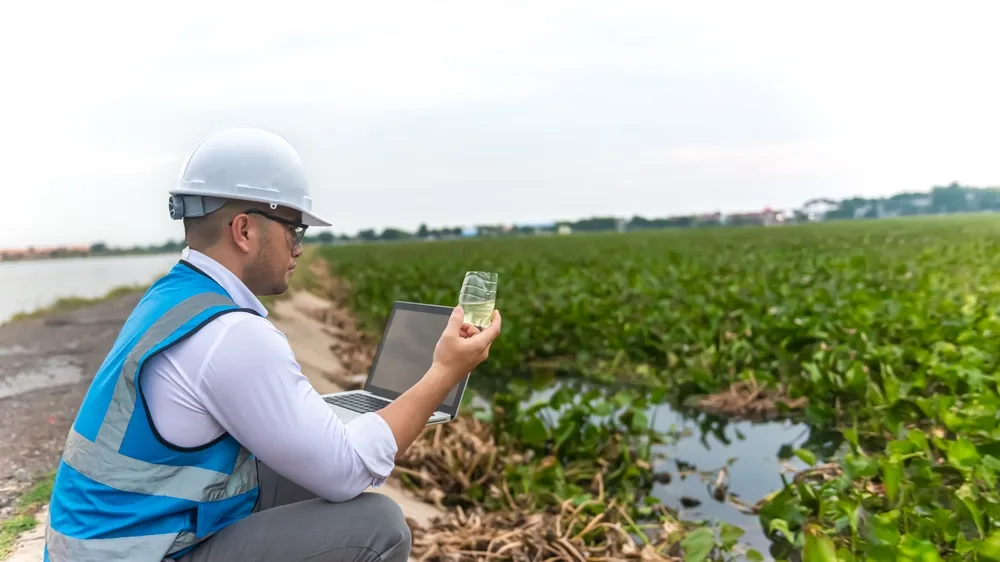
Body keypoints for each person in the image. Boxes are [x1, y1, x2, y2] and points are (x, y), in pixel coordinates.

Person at [43, 123, 503, 562]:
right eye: (293, 228)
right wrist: (444, 372)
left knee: (295, 462)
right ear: (244, 230)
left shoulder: (174, 297)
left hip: (105, 545)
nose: (299, 247)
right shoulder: (230, 334)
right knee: (378, 526)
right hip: (137, 552)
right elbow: (346, 472)